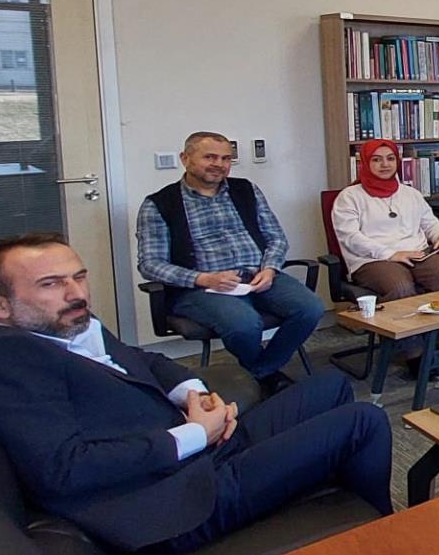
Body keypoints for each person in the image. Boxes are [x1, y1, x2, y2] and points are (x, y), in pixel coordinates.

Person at [0, 234, 392, 555]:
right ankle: (385, 536)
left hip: (200, 456)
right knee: (364, 420)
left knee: (332, 385)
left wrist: (195, 395)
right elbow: (64, 469)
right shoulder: (5, 360)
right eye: (51, 284)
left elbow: (143, 360)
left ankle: (337, 518)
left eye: (79, 277)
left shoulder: (64, 325)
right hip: (175, 502)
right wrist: (194, 435)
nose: (76, 293)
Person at [136, 131, 325, 394]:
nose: (219, 164)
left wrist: (270, 268)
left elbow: (276, 237)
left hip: (258, 275)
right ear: (185, 159)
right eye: (210, 157)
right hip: (202, 287)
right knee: (244, 323)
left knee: (311, 308)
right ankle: (267, 376)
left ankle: (260, 372)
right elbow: (150, 263)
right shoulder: (159, 204)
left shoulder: (246, 190)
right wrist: (203, 278)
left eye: (226, 158)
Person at [330, 139, 439, 358]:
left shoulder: (410, 194)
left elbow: (430, 223)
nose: (385, 164)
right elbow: (350, 237)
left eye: (390, 159)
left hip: (417, 253)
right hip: (372, 259)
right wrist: (391, 254)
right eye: (376, 160)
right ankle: (412, 354)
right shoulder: (349, 197)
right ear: (365, 163)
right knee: (400, 287)